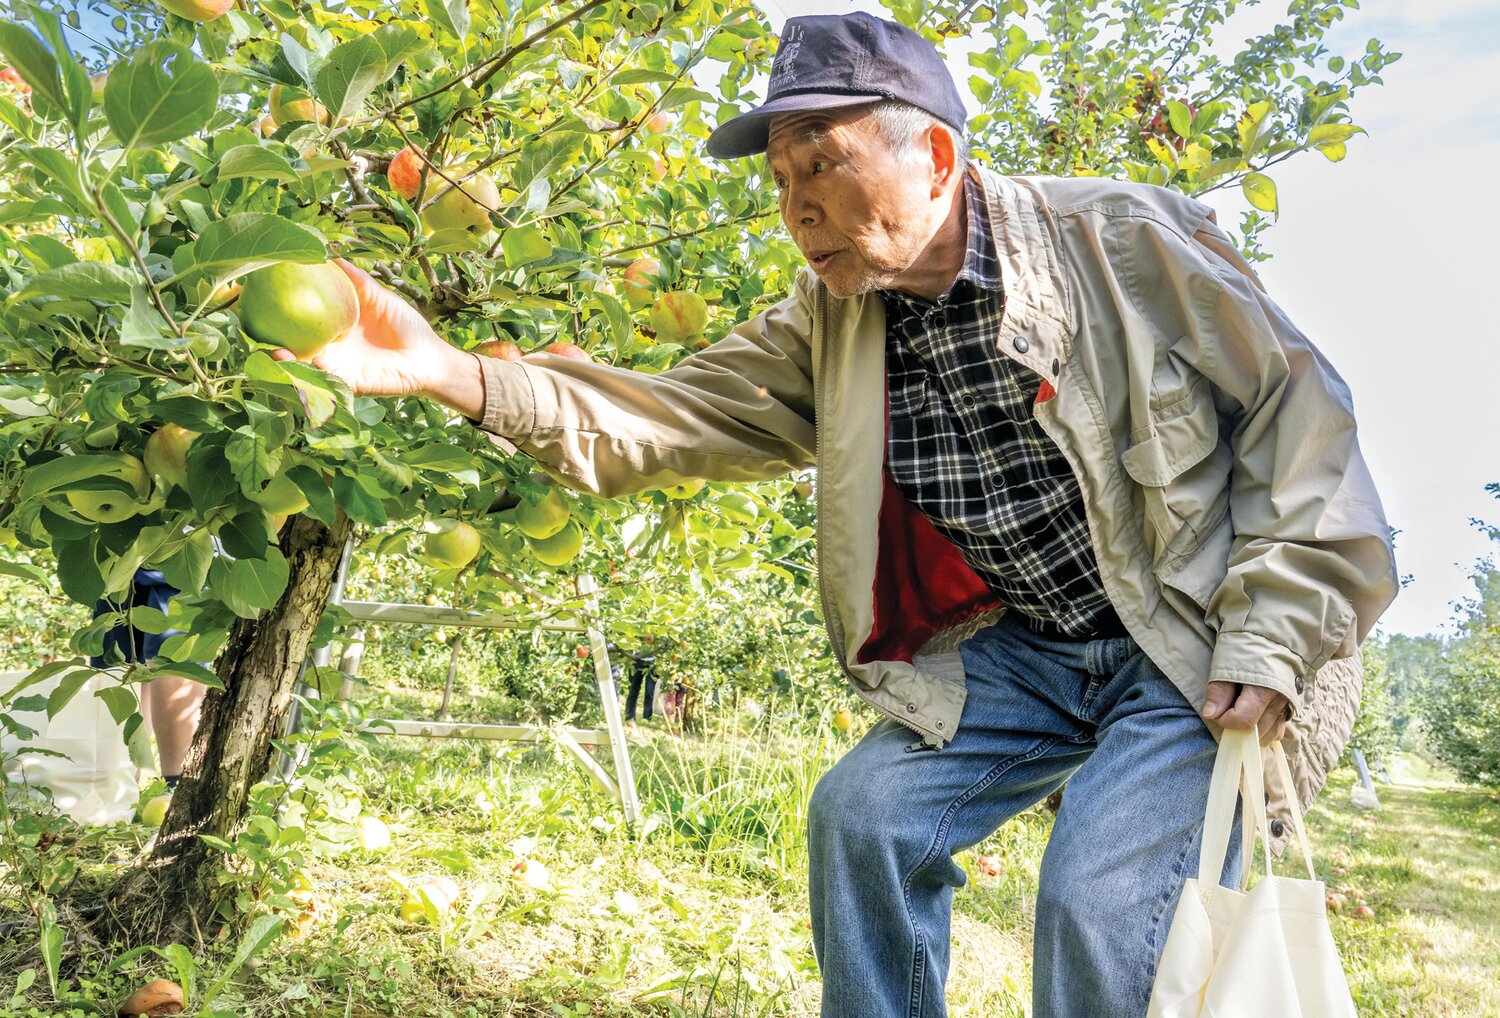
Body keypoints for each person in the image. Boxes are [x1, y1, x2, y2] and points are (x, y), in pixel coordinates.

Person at [280, 13, 1399, 1015]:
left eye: (821, 162)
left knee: (1096, 901)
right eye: (779, 178)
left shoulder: (1121, 242)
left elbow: (1302, 424)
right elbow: (673, 414)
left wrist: (1277, 630)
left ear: (937, 158)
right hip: (1035, 648)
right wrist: (446, 371)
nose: (796, 205)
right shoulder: (832, 320)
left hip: (1198, 633)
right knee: (863, 820)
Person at [91, 568, 204, 798]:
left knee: (168, 655)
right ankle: (121, 786)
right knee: (123, 661)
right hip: (122, 560)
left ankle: (174, 789)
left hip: (166, 557)